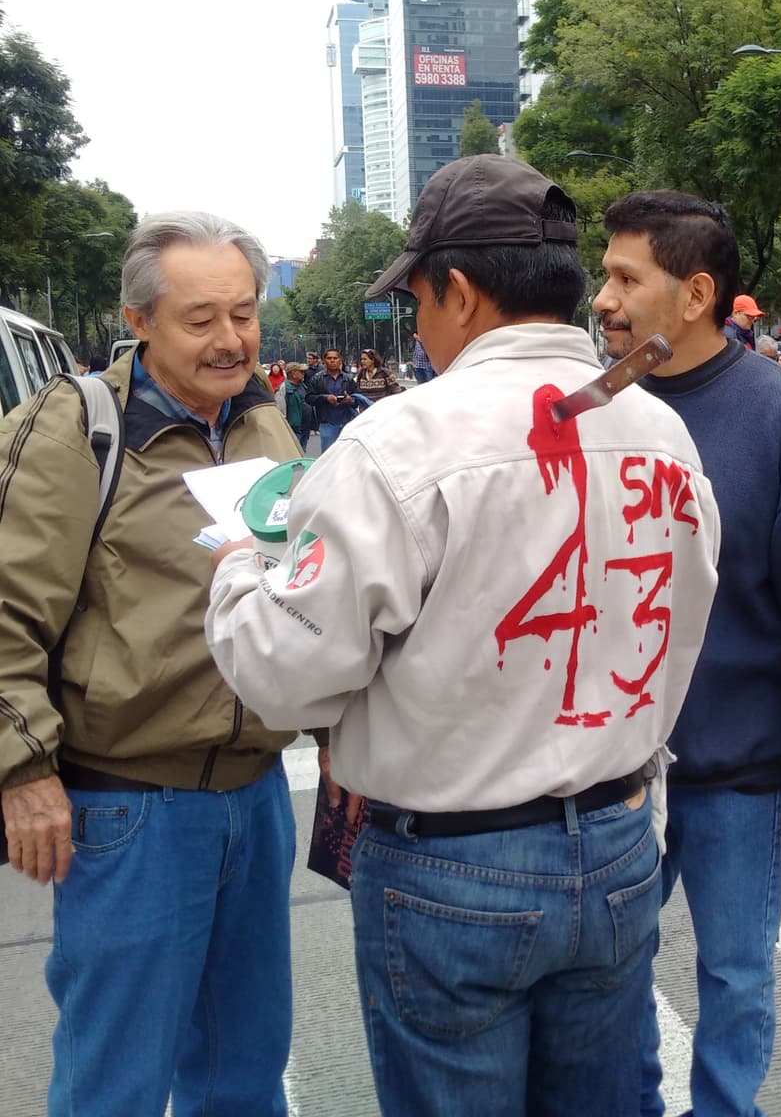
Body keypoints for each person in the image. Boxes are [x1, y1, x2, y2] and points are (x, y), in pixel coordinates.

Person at [205, 155, 721, 1117]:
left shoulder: (398, 443)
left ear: (458, 289)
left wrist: (240, 566)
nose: (417, 324)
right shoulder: (663, 436)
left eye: (418, 298)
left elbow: (286, 675)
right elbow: (682, 622)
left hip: (451, 869)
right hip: (616, 844)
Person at [0, 211, 303, 1117]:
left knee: (243, 1078)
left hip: (255, 797)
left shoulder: (266, 427)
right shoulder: (74, 431)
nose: (231, 339)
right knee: (115, 1085)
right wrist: (21, 770)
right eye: (200, 318)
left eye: (244, 314)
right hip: (128, 808)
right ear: (138, 321)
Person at [593, 190, 781, 1117]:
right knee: (607, 977)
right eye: (603, 275)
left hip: (737, 770)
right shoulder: (596, 411)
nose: (602, 297)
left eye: (625, 277)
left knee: (737, 977)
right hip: (608, 773)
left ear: (696, 293)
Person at [307, 347, 358, 451]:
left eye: (335, 358)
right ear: (324, 360)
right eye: (329, 358)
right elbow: (309, 398)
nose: (332, 360)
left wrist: (350, 400)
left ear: (340, 360)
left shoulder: (348, 379)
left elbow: (357, 398)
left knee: (345, 454)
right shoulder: (317, 379)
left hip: (346, 422)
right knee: (328, 455)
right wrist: (325, 398)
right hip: (326, 422)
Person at [276, 360, 313, 451]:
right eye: (301, 372)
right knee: (294, 456)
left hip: (305, 428)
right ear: (293, 373)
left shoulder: (302, 385)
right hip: (294, 430)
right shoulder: (284, 388)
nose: (303, 374)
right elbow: (280, 410)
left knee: (302, 454)